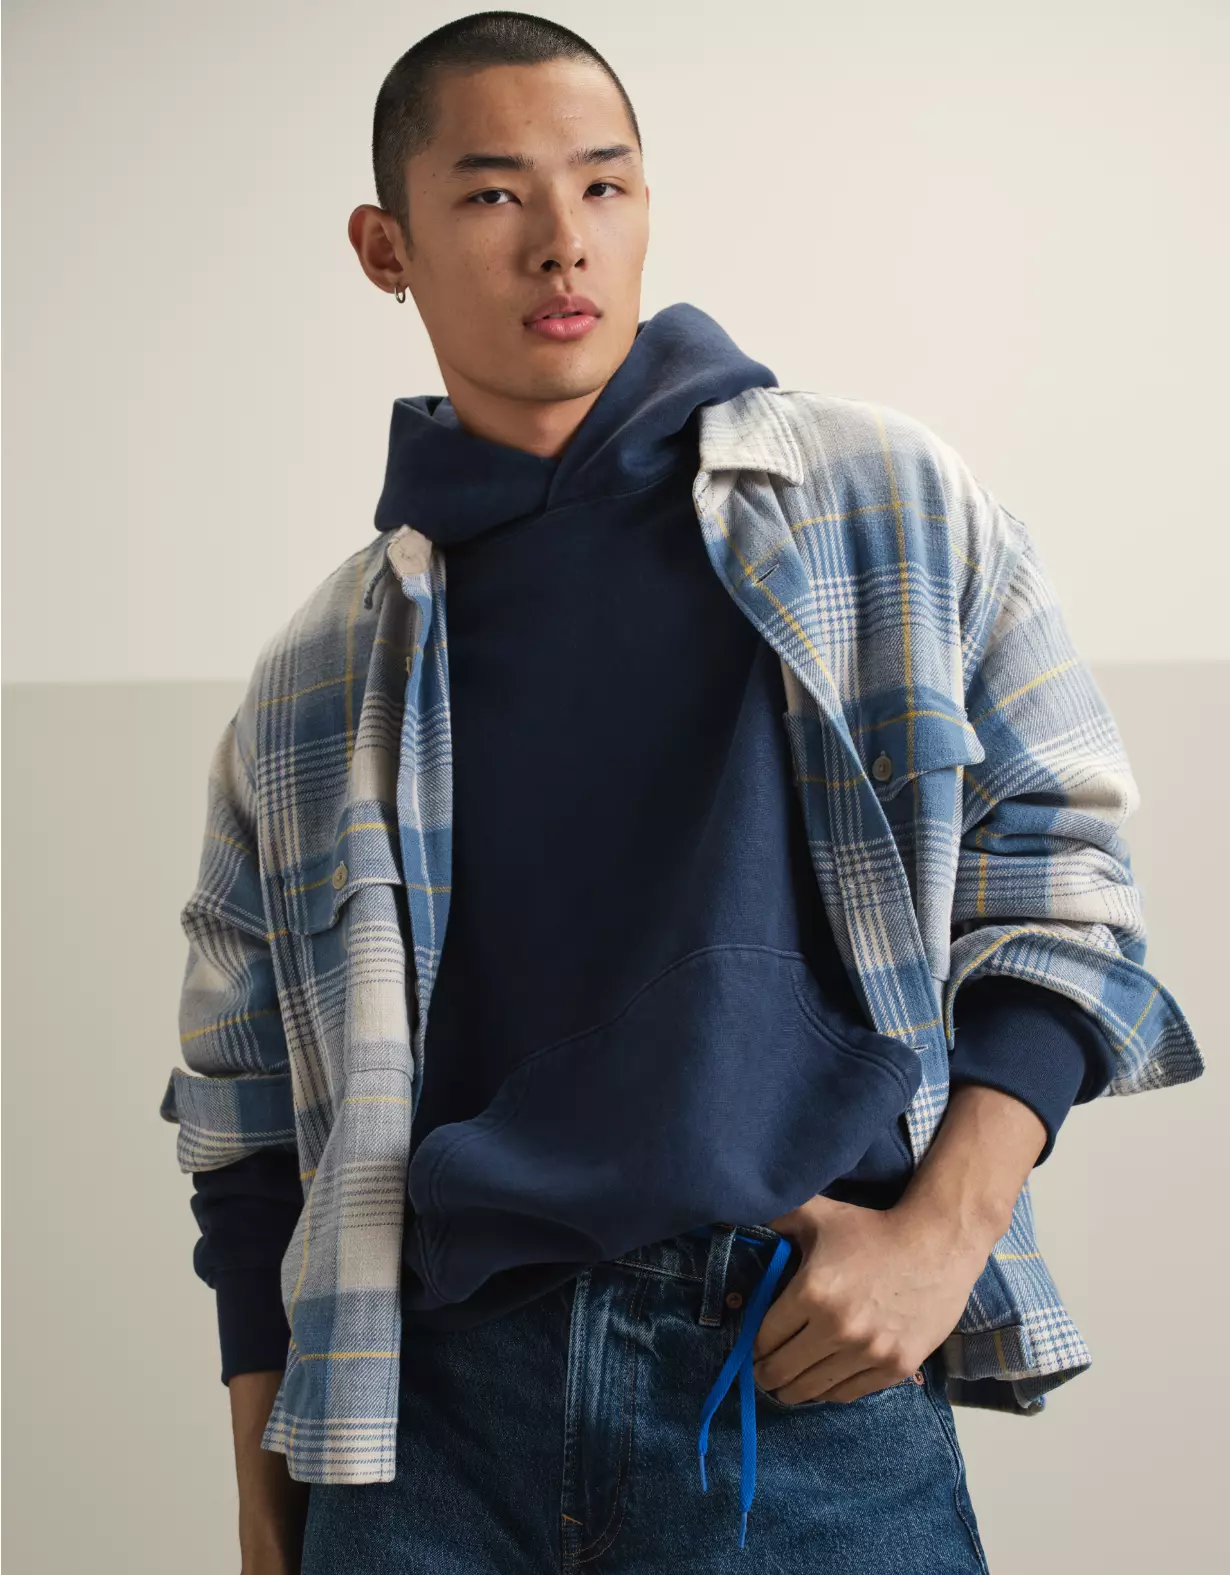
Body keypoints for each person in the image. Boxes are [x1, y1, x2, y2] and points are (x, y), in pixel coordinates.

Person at [159, 11, 1204, 1573]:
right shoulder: (320, 674)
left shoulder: (877, 502)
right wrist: (269, 1513)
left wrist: (943, 1232)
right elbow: (243, 1124)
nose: (561, 242)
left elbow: (1061, 870)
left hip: (786, 1385)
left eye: (603, 184)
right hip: (430, 1434)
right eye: (494, 193)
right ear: (387, 248)